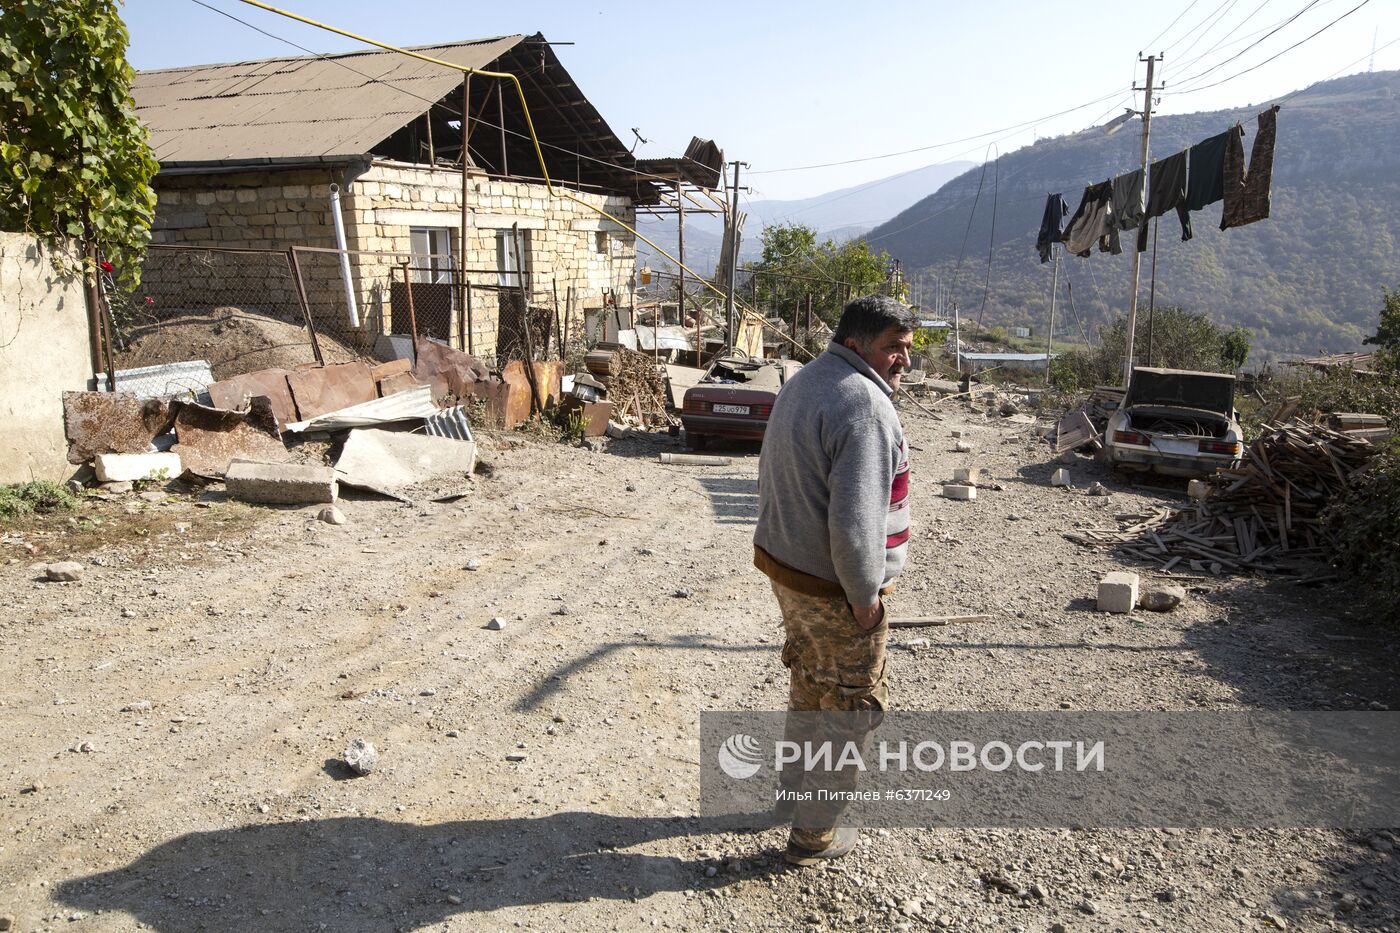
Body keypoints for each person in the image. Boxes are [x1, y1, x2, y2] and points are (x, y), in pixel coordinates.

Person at [752, 295, 914, 865]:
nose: (905, 360)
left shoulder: (805, 380)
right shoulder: (865, 406)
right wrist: (865, 597)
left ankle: (791, 799)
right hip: (834, 586)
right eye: (894, 347)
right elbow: (853, 526)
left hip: (789, 571)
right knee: (851, 708)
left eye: (906, 348)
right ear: (856, 343)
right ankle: (813, 834)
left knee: (812, 686)